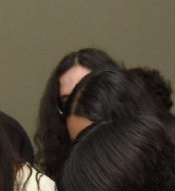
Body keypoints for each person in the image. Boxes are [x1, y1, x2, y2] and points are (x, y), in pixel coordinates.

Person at [34, 47, 120, 181]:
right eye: (67, 101)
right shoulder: (64, 176)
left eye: (88, 95)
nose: (77, 108)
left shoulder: (144, 155)